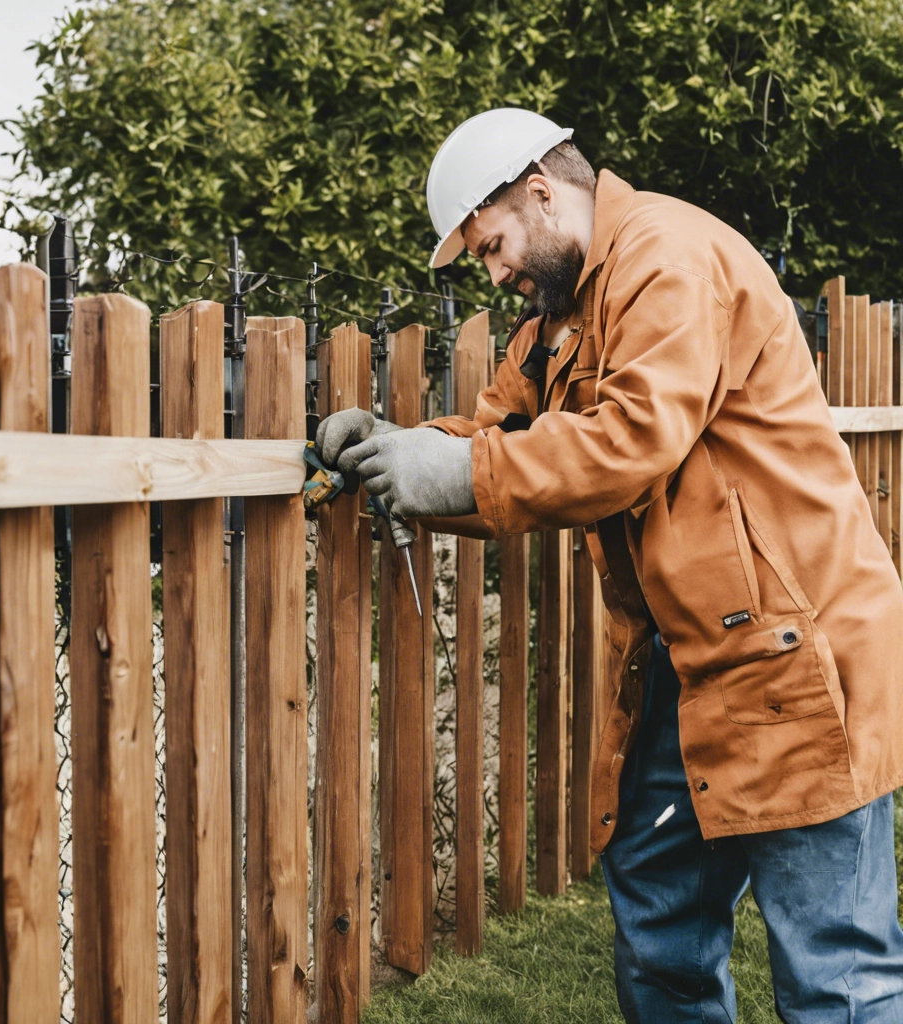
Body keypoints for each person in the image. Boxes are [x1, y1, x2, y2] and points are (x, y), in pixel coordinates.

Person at [315, 108, 903, 1022]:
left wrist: (456, 467)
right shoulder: (559, 315)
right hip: (690, 661)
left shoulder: (668, 259)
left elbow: (630, 442)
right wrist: (404, 448)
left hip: (801, 658)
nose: (495, 269)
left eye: (493, 244)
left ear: (543, 193)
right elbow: (500, 441)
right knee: (660, 926)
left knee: (837, 973)